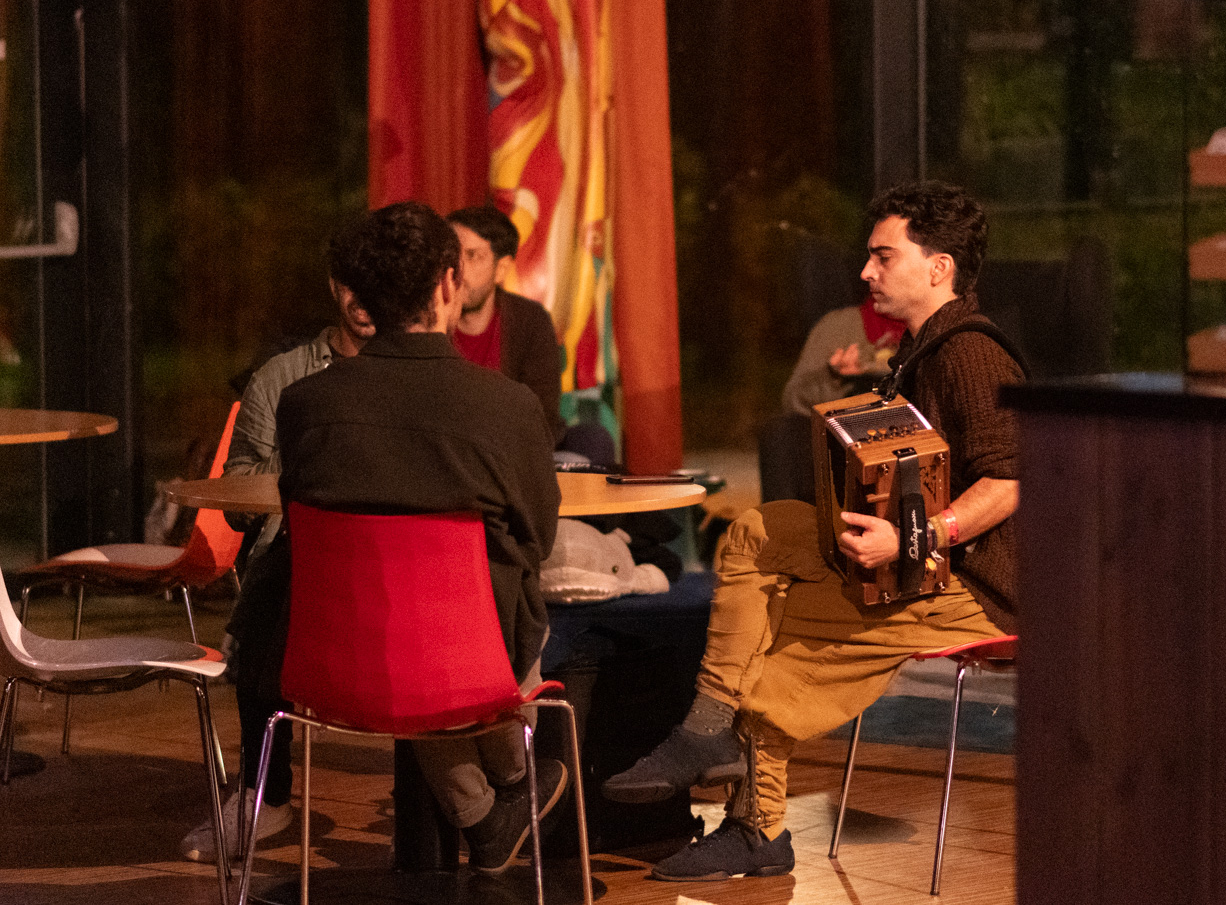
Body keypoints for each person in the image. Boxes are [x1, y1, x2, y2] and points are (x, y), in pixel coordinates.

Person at [601, 181, 1024, 880]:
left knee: (769, 653)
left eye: (883, 257)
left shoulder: (970, 353)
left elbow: (1010, 481)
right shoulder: (922, 348)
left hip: (974, 586)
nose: (865, 272)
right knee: (756, 530)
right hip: (919, 560)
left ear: (938, 267)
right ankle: (710, 734)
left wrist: (911, 539)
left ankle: (755, 825)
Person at [270, 201, 566, 875]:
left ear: (361, 296)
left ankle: (486, 812)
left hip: (335, 658)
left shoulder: (303, 405)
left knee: (408, 634)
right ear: (448, 283)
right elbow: (538, 537)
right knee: (473, 622)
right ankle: (513, 779)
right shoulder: (504, 407)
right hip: (475, 662)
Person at [179, 257, 377, 862]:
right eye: (350, 283)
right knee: (271, 592)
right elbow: (239, 500)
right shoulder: (282, 376)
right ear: (333, 286)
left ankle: (458, 799)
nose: (362, 298)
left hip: (392, 560)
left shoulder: (413, 376)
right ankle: (266, 794)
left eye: (375, 283)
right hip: (299, 555)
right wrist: (311, 458)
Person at [447, 205, 616, 469]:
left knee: (593, 440)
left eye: (472, 256)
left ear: (501, 268)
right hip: (450, 452)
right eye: (451, 255)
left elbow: (540, 415)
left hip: (517, 452)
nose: (457, 268)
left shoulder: (529, 321)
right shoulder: (429, 317)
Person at [781, 294, 906, 415]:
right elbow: (794, 400)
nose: (870, 277)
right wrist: (835, 379)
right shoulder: (840, 327)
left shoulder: (917, 336)